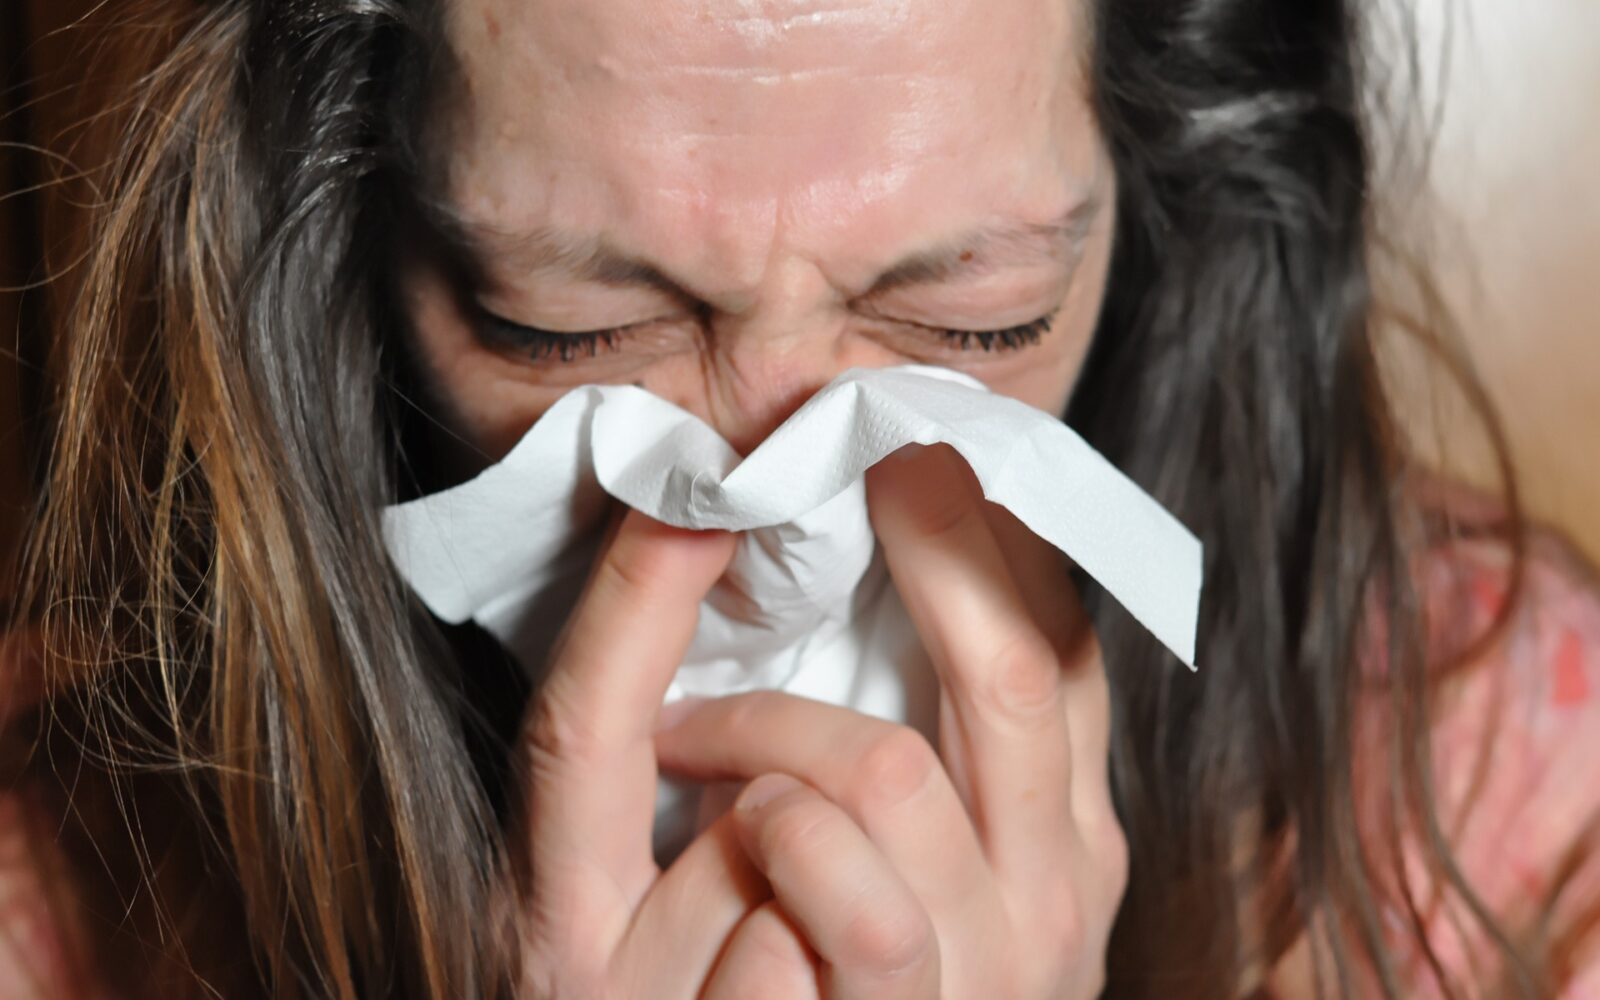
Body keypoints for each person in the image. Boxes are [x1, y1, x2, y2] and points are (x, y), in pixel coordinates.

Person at [2, 0, 1597, 996]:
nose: (777, 505)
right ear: (346, 254)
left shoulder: (1529, 817)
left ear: (1163, 211)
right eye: (566, 328)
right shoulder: (63, 886)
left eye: (975, 323)